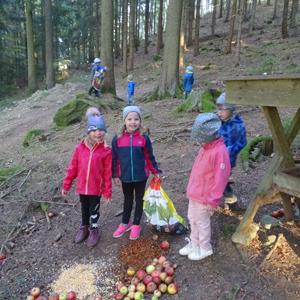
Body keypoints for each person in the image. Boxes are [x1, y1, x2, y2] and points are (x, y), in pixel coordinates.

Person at [179, 113, 230, 260]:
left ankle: (205, 247)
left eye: (199, 140)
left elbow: (221, 178)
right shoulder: (204, 148)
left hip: (205, 197)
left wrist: (213, 200)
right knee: (192, 218)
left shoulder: (219, 152)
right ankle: (194, 242)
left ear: (208, 137)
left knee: (202, 221)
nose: (197, 143)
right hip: (195, 193)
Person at [62, 107, 112, 248]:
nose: (98, 133)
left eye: (101, 129)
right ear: (88, 132)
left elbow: (108, 172)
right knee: (84, 208)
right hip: (82, 187)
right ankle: (84, 227)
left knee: (93, 209)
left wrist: (107, 191)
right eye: (94, 130)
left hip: (96, 189)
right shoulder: (80, 149)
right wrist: (67, 184)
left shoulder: (106, 151)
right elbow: (73, 168)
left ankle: (94, 229)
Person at [112, 106, 161, 240]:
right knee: (128, 198)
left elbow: (149, 156)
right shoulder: (118, 138)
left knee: (140, 198)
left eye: (136, 119)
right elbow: (114, 158)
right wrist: (115, 175)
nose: (133, 122)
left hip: (141, 175)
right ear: (124, 121)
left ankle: (136, 225)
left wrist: (155, 171)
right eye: (129, 119)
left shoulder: (143, 138)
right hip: (125, 175)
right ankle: (125, 223)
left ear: (140, 121)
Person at [216, 92, 247, 210]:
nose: (220, 113)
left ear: (231, 109)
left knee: (220, 178)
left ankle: (230, 198)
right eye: (218, 109)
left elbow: (242, 142)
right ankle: (217, 195)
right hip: (214, 157)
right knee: (216, 177)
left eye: (223, 109)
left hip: (227, 159)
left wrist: (229, 150)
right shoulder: (218, 122)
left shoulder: (237, 126)